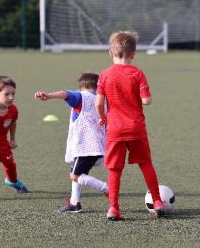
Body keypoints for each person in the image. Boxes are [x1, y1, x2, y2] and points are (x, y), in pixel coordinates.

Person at [95, 30, 166, 220]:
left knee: (115, 169)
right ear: (133, 54)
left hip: (115, 129)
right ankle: (158, 202)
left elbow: (98, 103)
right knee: (145, 164)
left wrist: (103, 117)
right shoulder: (137, 73)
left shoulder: (104, 75)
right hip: (136, 127)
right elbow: (147, 101)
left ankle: (114, 208)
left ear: (111, 53)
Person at [35, 72, 108, 213]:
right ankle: (75, 203)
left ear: (82, 87)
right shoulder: (102, 102)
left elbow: (66, 94)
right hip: (97, 145)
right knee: (78, 173)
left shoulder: (82, 96)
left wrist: (49, 96)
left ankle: (107, 189)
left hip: (85, 146)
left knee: (75, 176)